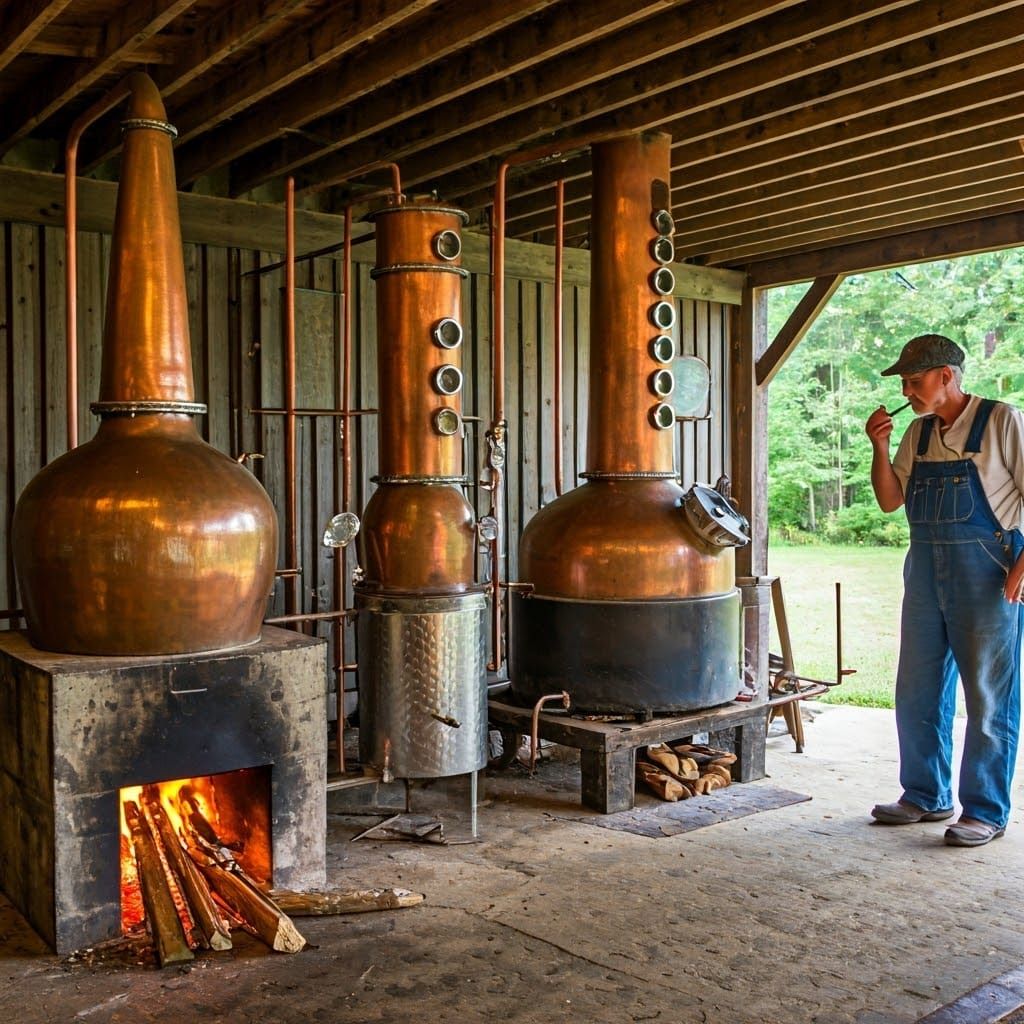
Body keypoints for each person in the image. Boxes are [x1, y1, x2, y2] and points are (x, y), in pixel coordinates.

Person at [864, 333, 1024, 847]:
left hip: (988, 573)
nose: (906, 392)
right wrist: (879, 446)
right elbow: (890, 500)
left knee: (988, 694)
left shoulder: (1001, 420)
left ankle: (985, 810)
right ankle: (926, 794)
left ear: (946, 376)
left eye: (914, 381)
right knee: (917, 688)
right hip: (924, 572)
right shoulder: (917, 433)